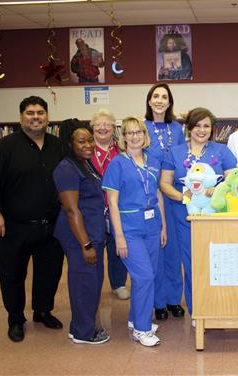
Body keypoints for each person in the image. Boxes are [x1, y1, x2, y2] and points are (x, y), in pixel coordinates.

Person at [0, 96, 64, 342]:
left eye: (40, 112)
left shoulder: (58, 146)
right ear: (21, 117)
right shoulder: (3, 148)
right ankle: (15, 318)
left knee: (49, 272)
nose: (35, 117)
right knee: (12, 274)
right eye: (30, 113)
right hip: (13, 227)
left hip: (50, 225)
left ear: (47, 117)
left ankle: (42, 310)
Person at [160, 107, 237, 321]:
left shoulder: (222, 151)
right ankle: (198, 311)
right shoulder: (174, 152)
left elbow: (233, 180)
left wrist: (219, 190)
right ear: (188, 128)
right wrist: (183, 197)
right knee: (191, 263)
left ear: (212, 129)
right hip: (182, 216)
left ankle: (217, 306)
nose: (202, 130)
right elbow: (165, 183)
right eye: (197, 126)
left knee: (214, 262)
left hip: (215, 217)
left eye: (206, 126)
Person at [102, 117, 166, 347]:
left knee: (149, 276)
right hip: (129, 228)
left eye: (139, 131)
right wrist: (119, 237)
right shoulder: (117, 164)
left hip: (152, 226)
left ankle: (134, 319)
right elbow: (112, 202)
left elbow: (158, 194)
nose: (135, 136)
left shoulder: (153, 160)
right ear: (124, 137)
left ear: (145, 135)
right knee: (144, 276)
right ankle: (142, 329)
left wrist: (163, 226)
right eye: (130, 132)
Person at [53, 119, 109, 344]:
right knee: (83, 282)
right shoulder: (66, 168)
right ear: (69, 143)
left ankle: (83, 324)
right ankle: (82, 333)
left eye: (90, 140)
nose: (88, 145)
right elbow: (71, 209)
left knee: (93, 281)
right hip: (79, 236)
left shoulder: (83, 163)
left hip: (92, 232)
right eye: (81, 141)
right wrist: (85, 245)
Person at [143, 84, 186, 320]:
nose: (160, 101)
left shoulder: (177, 128)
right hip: (151, 195)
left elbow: (182, 159)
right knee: (157, 249)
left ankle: (173, 299)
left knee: (174, 250)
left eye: (164, 97)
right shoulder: (142, 127)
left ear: (169, 103)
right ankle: (159, 302)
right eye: (155, 96)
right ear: (149, 101)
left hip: (174, 194)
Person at [89, 109, 129, 300]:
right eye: (99, 124)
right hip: (93, 208)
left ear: (114, 128)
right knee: (95, 248)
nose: (103, 128)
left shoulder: (121, 150)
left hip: (117, 208)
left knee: (117, 247)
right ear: (92, 128)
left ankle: (118, 284)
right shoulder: (86, 150)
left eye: (107, 124)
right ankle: (93, 285)